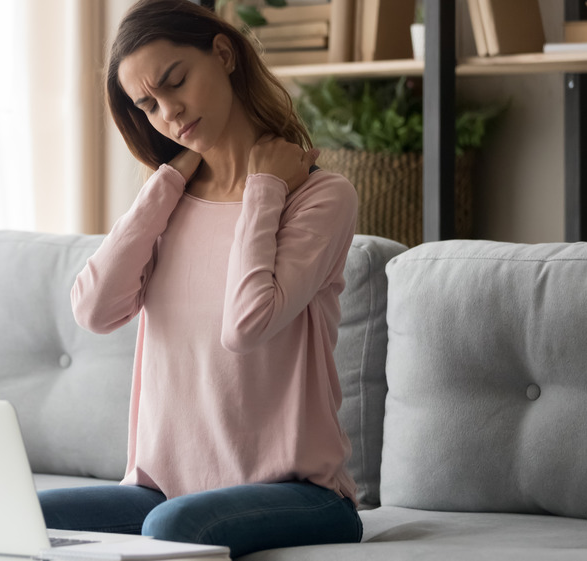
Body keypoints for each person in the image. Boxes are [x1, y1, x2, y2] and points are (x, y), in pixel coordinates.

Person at [39, 0, 362, 556]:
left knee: (170, 530)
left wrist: (265, 190)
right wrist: (164, 185)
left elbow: (247, 324)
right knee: (15, 511)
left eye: (176, 82)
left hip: (298, 493)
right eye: (148, 105)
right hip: (162, 492)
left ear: (221, 53)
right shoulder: (168, 204)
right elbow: (93, 311)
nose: (169, 111)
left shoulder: (320, 197)